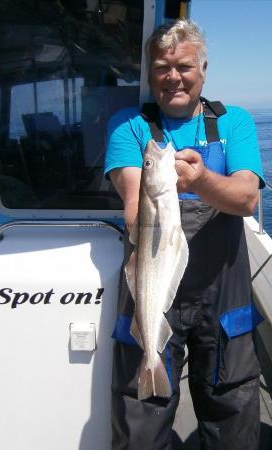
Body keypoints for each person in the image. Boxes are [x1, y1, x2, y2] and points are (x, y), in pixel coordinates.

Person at [104, 19, 265, 450]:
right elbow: (136, 203)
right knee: (141, 419)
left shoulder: (235, 123)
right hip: (154, 289)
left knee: (232, 410)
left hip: (222, 296)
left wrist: (199, 182)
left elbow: (247, 197)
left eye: (184, 66)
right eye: (161, 67)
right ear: (150, 72)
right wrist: (160, 191)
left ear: (204, 69)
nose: (172, 76)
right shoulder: (130, 126)